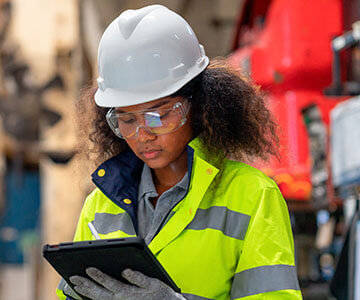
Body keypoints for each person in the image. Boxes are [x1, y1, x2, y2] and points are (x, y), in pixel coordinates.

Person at [55, 5, 302, 300]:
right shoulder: (99, 207)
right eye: (127, 119)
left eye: (158, 116)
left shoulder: (253, 196)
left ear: (198, 105)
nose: (142, 134)